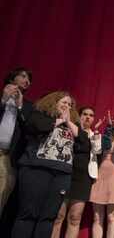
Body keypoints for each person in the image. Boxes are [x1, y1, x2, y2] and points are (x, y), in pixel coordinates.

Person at [11, 91, 82, 238]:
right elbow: (34, 127)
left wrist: (68, 122)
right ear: (53, 102)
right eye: (63, 102)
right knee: (28, 214)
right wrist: (58, 121)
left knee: (48, 217)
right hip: (36, 169)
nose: (67, 106)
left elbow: (84, 144)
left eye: (70, 104)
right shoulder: (40, 115)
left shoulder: (72, 124)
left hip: (62, 174)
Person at [51, 107, 103, 238]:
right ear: (79, 116)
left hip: (83, 179)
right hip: (65, 174)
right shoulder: (68, 129)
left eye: (91, 115)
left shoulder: (95, 136)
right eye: (85, 114)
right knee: (58, 216)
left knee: (75, 217)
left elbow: (98, 154)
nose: (88, 117)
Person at [0, 67, 33, 216]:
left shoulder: (28, 106)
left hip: (8, 157)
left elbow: (29, 132)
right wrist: (3, 101)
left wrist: (20, 107)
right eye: (23, 76)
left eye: (29, 80)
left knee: (2, 196)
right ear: (13, 77)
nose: (27, 81)